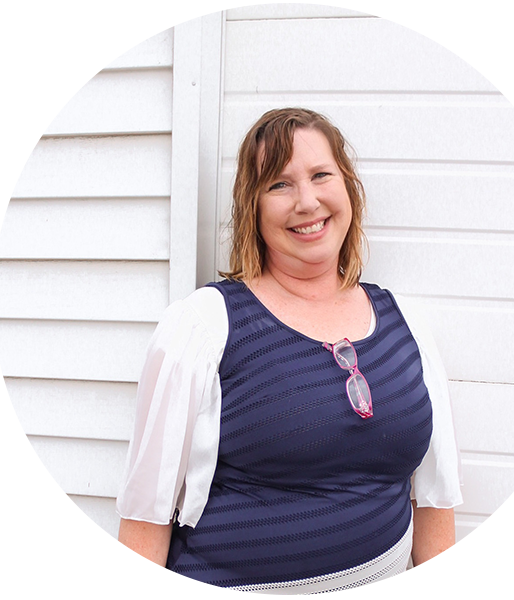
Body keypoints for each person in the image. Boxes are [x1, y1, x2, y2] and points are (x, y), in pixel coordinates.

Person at [115, 107, 463, 595]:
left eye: (321, 175)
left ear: (348, 189)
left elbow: (433, 500)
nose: (307, 201)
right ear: (252, 209)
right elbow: (146, 516)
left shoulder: (405, 325)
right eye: (279, 185)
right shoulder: (205, 326)